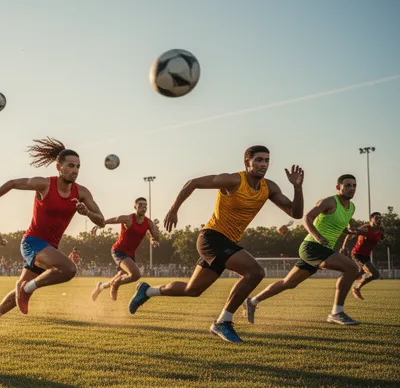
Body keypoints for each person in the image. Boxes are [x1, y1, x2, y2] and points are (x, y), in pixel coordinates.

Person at [128, 146, 305, 343]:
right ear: (247, 162)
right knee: (255, 272)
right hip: (211, 238)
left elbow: (295, 213)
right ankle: (223, 321)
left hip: (227, 242)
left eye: (266, 160)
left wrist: (297, 187)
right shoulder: (233, 180)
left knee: (192, 290)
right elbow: (193, 183)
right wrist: (174, 209)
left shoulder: (269, 187)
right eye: (259, 160)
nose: (263, 164)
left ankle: (148, 290)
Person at [0, 137, 105, 337]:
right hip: (32, 243)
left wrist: (86, 212)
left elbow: (101, 221)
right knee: (69, 269)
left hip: (49, 248)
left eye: (78, 166)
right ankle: (26, 289)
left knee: (19, 293)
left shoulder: (82, 193)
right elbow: (12, 183)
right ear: (58, 167)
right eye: (71, 166)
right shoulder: (45, 184)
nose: (75, 170)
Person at [246, 175, 361, 325]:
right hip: (312, 247)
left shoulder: (351, 208)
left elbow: (337, 224)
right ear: (338, 187)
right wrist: (318, 237)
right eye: (347, 185)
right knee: (352, 268)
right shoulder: (329, 201)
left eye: (354, 186)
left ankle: (253, 301)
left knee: (288, 283)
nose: (351, 188)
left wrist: (348, 231)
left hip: (323, 250)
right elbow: (307, 218)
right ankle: (337, 312)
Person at [90, 197, 161, 301]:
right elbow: (115, 219)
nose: (143, 207)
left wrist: (154, 241)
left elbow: (154, 236)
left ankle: (100, 287)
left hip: (130, 255)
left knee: (117, 278)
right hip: (119, 251)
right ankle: (116, 285)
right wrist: (100, 225)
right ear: (135, 207)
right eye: (140, 205)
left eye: (145, 205)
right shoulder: (128, 219)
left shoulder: (149, 223)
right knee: (136, 274)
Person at [343, 211, 386, 299]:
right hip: (357, 254)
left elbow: (381, 237)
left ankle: (351, 281)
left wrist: (386, 242)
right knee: (373, 273)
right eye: (376, 218)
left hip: (366, 256)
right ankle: (353, 286)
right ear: (371, 219)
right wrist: (343, 246)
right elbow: (351, 233)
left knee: (370, 274)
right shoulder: (366, 228)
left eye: (380, 218)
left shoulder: (381, 230)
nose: (379, 220)